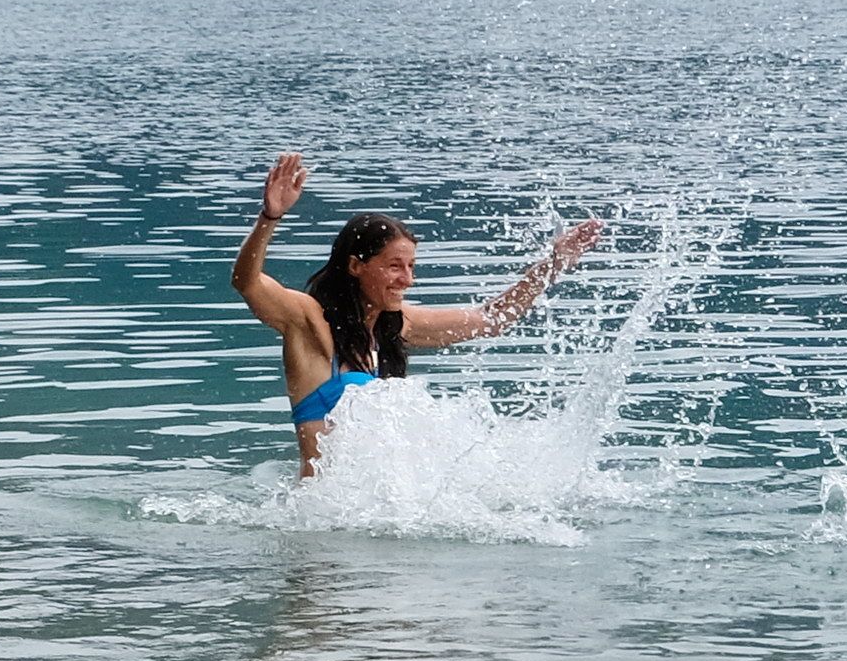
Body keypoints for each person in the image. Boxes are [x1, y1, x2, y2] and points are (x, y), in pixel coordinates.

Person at [231, 154, 606, 473]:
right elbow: (247, 283)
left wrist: (553, 265)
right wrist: (269, 218)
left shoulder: (396, 326)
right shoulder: (310, 321)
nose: (407, 280)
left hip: (377, 525)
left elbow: (493, 318)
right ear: (355, 266)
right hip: (320, 532)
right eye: (395, 266)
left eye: (411, 267)